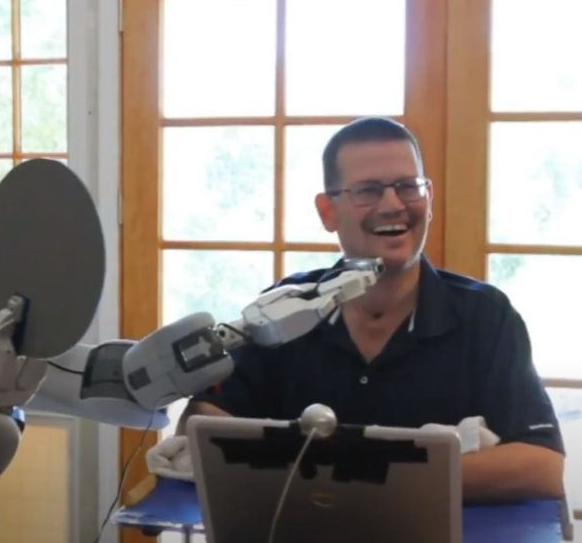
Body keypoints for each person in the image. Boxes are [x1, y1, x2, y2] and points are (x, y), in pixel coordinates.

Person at [176, 116, 564, 502]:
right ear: (328, 212)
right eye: (368, 190)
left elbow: (541, 466)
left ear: (428, 201)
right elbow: (199, 423)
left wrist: (358, 474)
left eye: (408, 187)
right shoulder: (284, 309)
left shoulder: (486, 316)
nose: (393, 205)